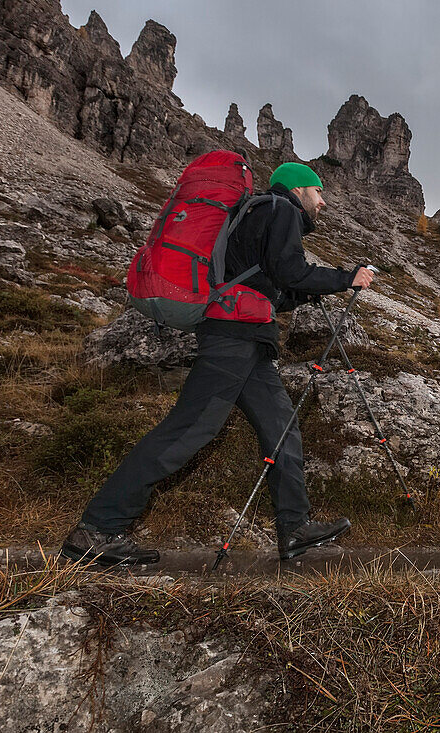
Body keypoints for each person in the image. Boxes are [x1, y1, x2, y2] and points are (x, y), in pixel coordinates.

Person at [61, 162, 374, 566]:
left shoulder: (257, 215)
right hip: (232, 341)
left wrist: (306, 292)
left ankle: (295, 529)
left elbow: (269, 288)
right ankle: (97, 529)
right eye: (318, 192)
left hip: (249, 342)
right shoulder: (279, 210)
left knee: (282, 430)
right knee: (188, 430)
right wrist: (346, 277)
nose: (323, 201)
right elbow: (290, 270)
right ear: (298, 190)